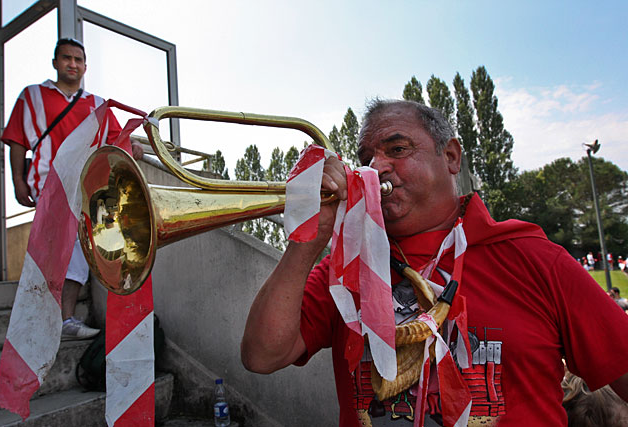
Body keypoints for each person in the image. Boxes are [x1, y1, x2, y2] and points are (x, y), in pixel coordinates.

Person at [241, 100, 628, 426]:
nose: (375, 167)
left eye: (396, 149)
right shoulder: (346, 269)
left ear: (451, 157)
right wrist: (308, 240)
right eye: (365, 157)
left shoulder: (533, 258)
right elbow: (262, 356)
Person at [1, 38, 144, 340]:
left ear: (85, 66)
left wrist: (135, 146)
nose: (73, 65)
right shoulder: (32, 97)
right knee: (56, 254)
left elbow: (117, 139)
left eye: (79, 60)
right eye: (67, 58)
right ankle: (52, 320)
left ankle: (64, 319)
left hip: (83, 191)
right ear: (55, 62)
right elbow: (17, 141)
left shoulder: (96, 104)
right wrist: (17, 180)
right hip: (47, 187)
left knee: (76, 253)